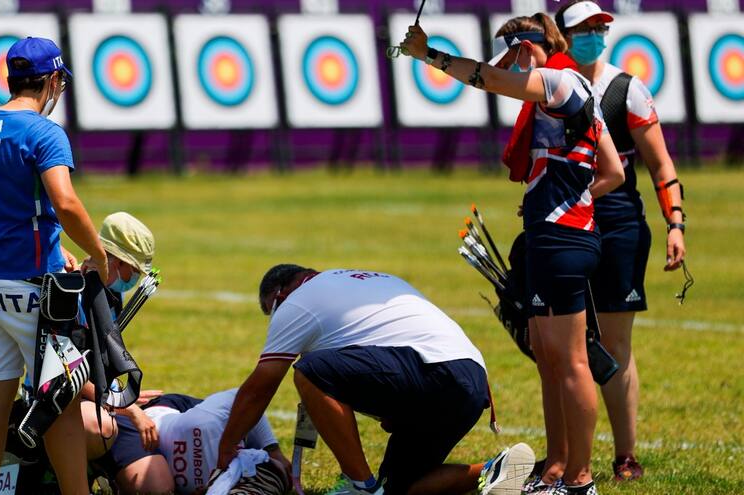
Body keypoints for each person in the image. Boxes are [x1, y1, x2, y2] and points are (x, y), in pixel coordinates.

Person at [401, 13, 625, 495]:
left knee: (570, 363)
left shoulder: (557, 80)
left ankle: (581, 480)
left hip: (563, 240)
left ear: (525, 50)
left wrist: (428, 54)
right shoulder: (578, 88)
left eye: (512, 56)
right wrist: (567, 192)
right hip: (554, 236)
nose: (509, 67)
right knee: (549, 359)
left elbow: (488, 78)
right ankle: (557, 467)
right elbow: (612, 172)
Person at [216, 265, 536, 495]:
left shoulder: (297, 301)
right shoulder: (357, 282)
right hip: (470, 379)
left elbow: (260, 388)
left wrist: (227, 447)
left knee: (310, 371)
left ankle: (361, 487)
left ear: (281, 294)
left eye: (271, 310)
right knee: (402, 487)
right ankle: (500, 471)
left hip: (435, 371)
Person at [0, 36, 108, 495]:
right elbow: (65, 201)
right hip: (27, 287)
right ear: (54, 80)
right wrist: (98, 255)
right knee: (57, 399)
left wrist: (52, 241)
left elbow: (1, 200)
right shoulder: (44, 132)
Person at [554, 0, 687, 481]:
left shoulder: (626, 89)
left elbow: (661, 164)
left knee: (613, 343)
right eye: (584, 28)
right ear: (564, 36)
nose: (595, 33)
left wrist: (676, 223)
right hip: (562, 219)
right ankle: (563, 460)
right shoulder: (549, 84)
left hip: (617, 222)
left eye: (600, 27)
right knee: (563, 344)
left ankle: (625, 455)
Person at [82, 388, 292, 495]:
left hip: (175, 422)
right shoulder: (205, 423)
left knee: (158, 488)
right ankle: (92, 461)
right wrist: (273, 450)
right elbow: (247, 397)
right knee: (154, 488)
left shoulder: (213, 481)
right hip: (148, 416)